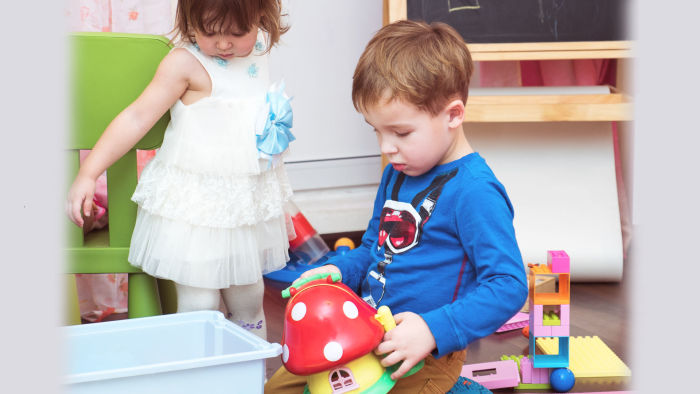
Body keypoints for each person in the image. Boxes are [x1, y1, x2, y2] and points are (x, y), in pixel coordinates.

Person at [265, 20, 528, 393]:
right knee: (276, 388)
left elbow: (508, 284)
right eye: (376, 130)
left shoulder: (475, 191)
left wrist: (432, 330)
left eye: (401, 133)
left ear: (453, 115)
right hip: (367, 330)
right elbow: (374, 251)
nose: (386, 147)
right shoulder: (399, 172)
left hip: (426, 350)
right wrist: (336, 272)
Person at [66, 0, 294, 340]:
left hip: (242, 204)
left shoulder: (258, 45)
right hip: (195, 207)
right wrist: (89, 173)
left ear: (261, 17)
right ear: (190, 19)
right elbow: (137, 117)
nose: (224, 44)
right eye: (210, 31)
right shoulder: (184, 63)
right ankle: (194, 374)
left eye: (236, 32)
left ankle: (249, 374)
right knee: (200, 299)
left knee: (248, 295)